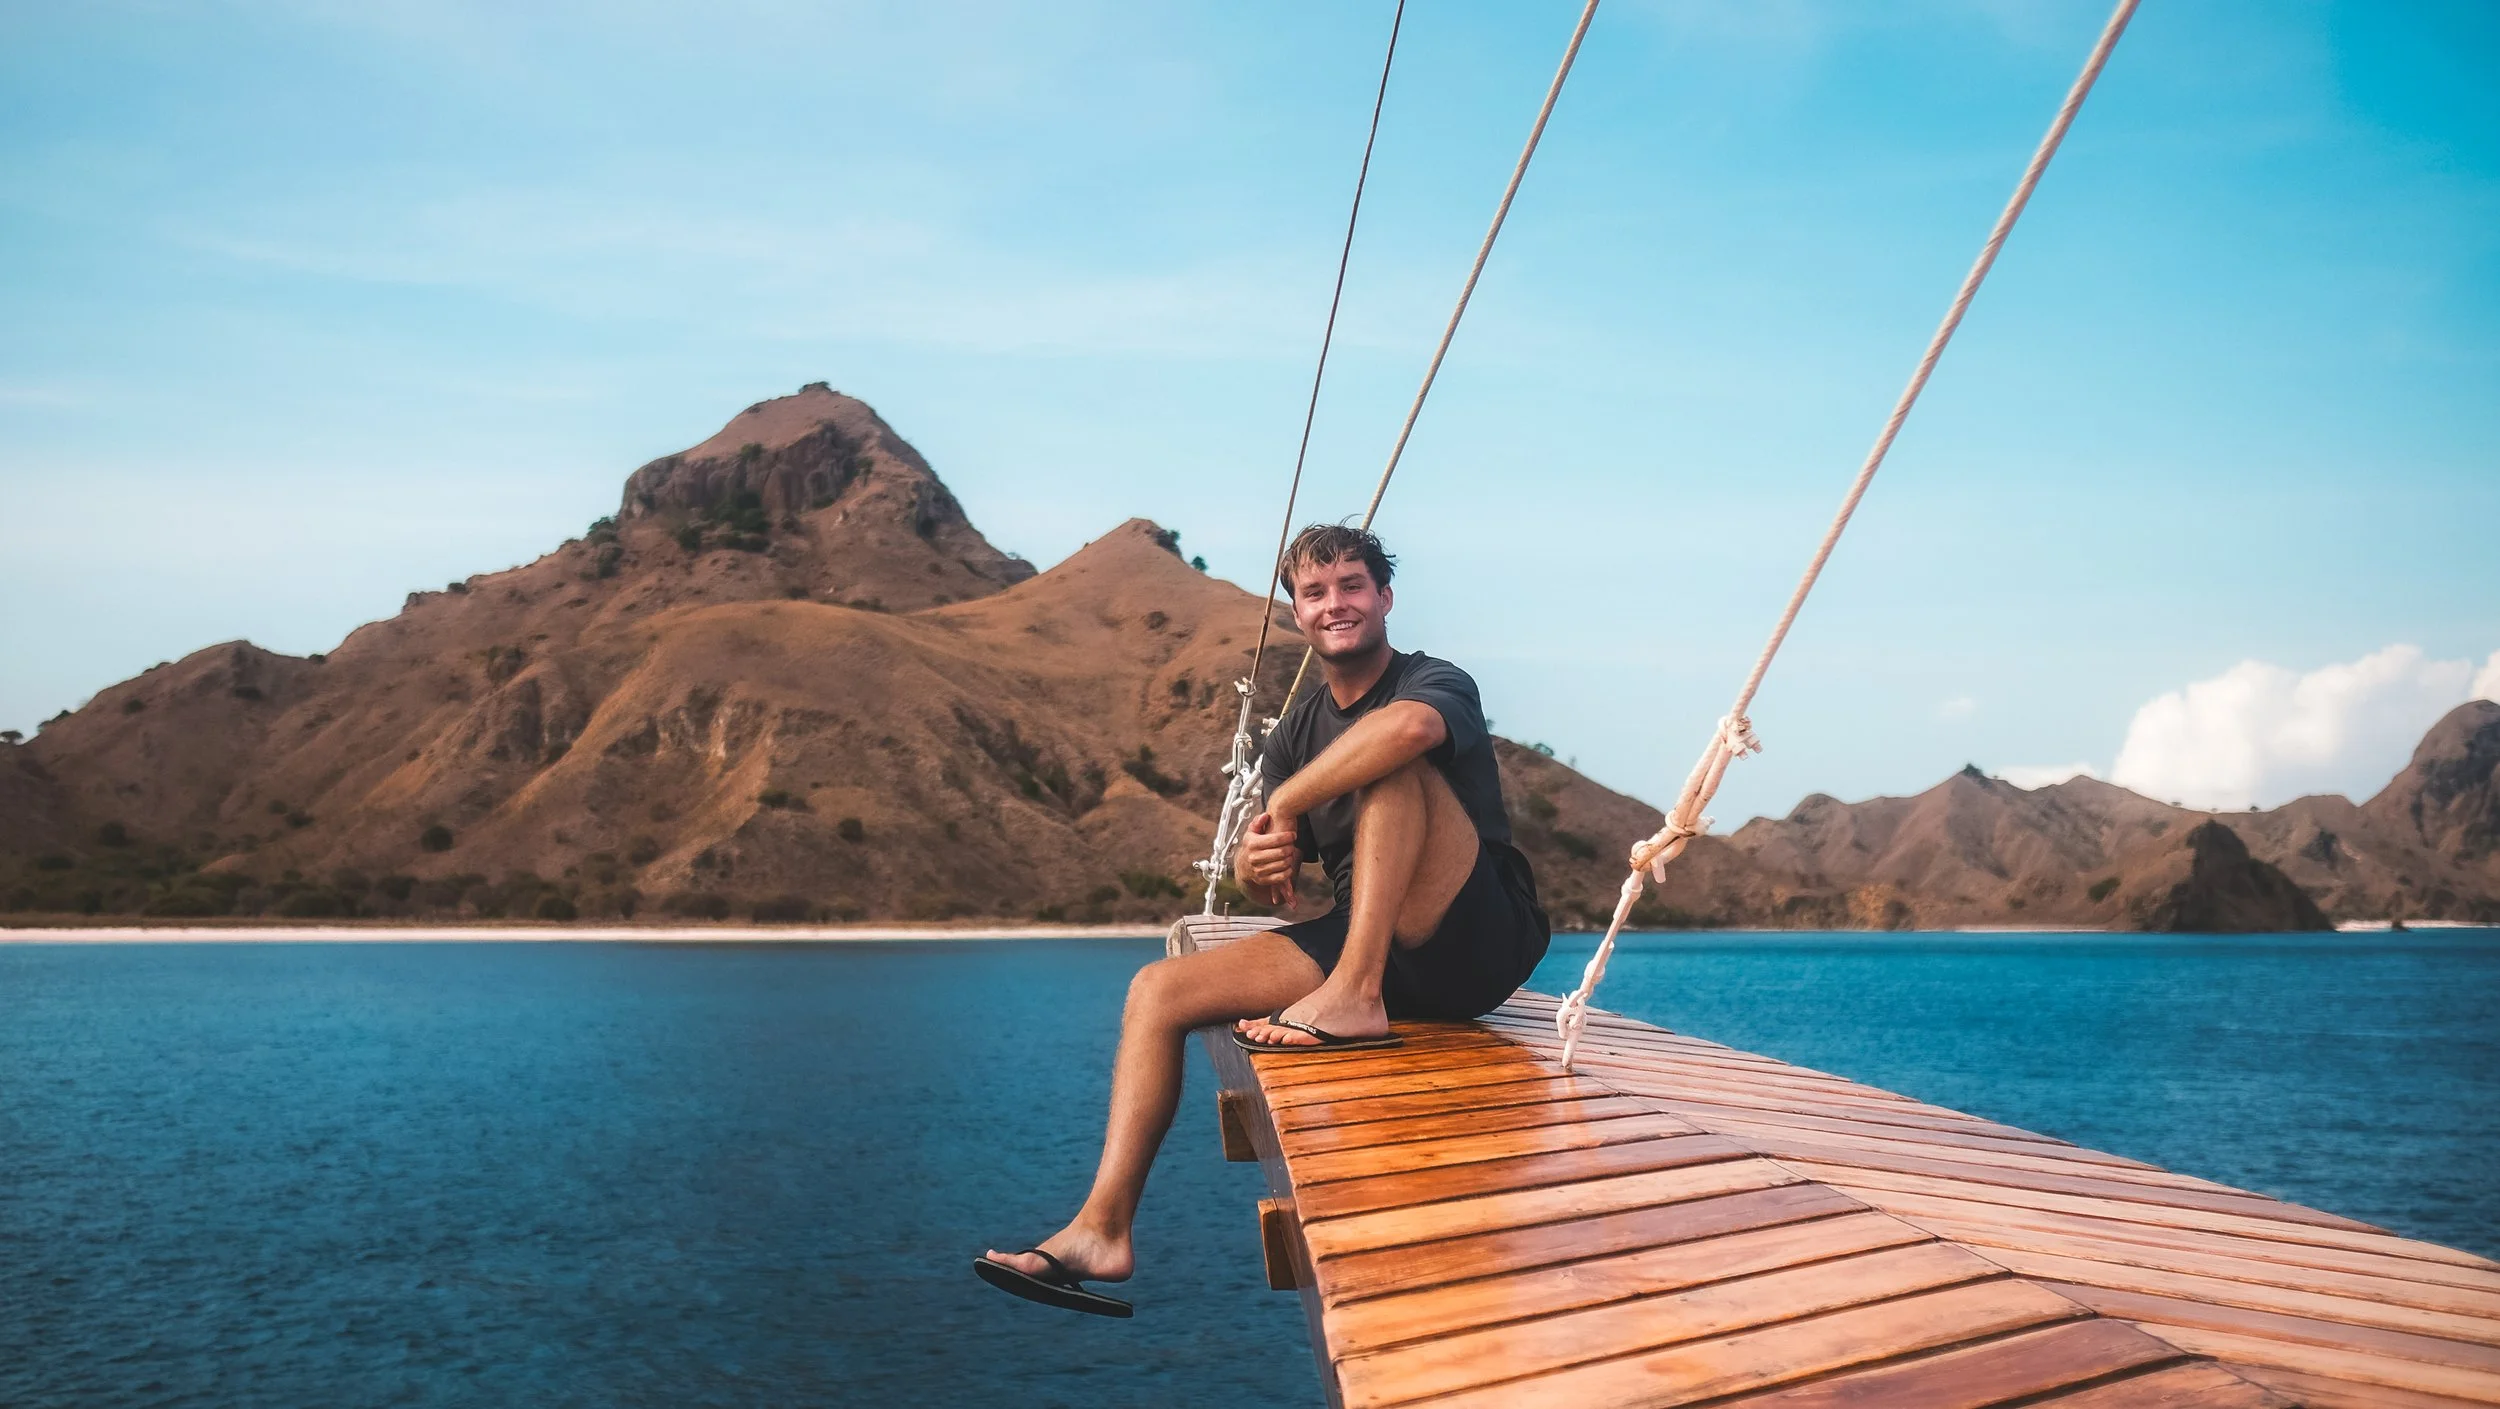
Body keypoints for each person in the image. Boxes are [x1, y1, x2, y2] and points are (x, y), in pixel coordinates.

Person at [974, 524, 1549, 1317]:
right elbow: (1266, 872)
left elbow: (1411, 731)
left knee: (1394, 758)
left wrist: (1287, 798)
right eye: (1315, 592)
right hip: (1370, 935)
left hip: (1476, 935)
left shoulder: (1433, 679)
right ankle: (1101, 1230)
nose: (1335, 603)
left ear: (1385, 597)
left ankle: (1355, 995)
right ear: (1297, 612)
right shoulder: (1297, 732)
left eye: (1352, 585)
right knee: (1157, 990)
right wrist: (1254, 860)